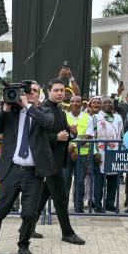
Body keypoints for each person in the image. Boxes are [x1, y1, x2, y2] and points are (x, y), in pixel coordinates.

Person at [0, 81, 56, 254]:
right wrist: (5, 111)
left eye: (34, 91)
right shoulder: (11, 113)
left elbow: (47, 123)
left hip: (33, 173)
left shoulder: (44, 111)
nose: (30, 93)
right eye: (27, 91)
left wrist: (27, 106)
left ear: (39, 95)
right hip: (11, 170)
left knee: (29, 213)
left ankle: (23, 244)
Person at [31, 78, 85, 244]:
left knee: (43, 196)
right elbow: (38, 137)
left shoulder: (60, 110)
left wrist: (72, 132)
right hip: (49, 161)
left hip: (57, 160)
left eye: (62, 90)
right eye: (56, 90)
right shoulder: (44, 109)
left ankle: (28, 226)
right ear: (48, 92)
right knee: (61, 198)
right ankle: (67, 233)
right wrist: (57, 137)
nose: (60, 93)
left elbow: (65, 134)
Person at [86, 97, 123, 213]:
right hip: (100, 152)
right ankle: (98, 205)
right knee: (99, 181)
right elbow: (91, 136)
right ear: (101, 105)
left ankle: (110, 204)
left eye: (110, 103)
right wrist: (95, 153)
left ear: (113, 105)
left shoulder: (118, 117)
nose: (108, 104)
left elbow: (121, 135)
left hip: (114, 152)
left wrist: (121, 151)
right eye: (105, 103)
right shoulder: (96, 117)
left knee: (113, 180)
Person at [66, 96, 92, 212]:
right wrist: (69, 149)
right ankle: (62, 207)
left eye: (77, 101)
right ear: (69, 103)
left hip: (82, 154)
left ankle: (79, 207)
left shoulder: (88, 117)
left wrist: (74, 147)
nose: (75, 103)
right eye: (72, 101)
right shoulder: (64, 116)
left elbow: (89, 135)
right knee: (64, 181)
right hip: (65, 154)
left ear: (82, 104)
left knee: (80, 182)